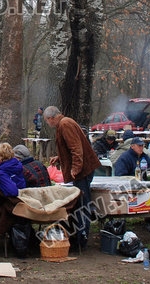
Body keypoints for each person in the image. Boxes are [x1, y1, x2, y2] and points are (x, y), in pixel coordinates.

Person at [43, 106, 101, 250]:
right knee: (80, 204)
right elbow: (70, 148)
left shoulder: (65, 124)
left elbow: (76, 149)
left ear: (51, 118)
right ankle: (79, 235)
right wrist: (60, 158)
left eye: (47, 120)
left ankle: (82, 239)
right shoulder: (65, 123)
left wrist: (76, 168)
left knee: (82, 204)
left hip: (83, 170)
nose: (47, 123)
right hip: (83, 169)